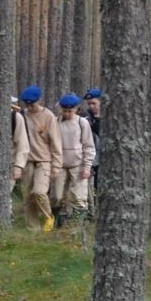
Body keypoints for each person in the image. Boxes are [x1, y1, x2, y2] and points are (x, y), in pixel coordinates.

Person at [18, 85, 63, 232]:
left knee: (39, 192)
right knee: (28, 197)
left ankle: (49, 217)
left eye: (32, 103)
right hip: (27, 161)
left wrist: (56, 166)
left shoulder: (48, 116)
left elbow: (56, 143)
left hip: (44, 161)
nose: (29, 107)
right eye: (27, 104)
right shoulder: (22, 116)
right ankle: (33, 228)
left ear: (39, 101)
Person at [50, 93, 96, 223]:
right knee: (57, 196)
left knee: (79, 196)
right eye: (64, 111)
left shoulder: (82, 123)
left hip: (78, 164)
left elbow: (89, 146)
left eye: (70, 111)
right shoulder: (54, 122)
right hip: (59, 164)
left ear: (76, 109)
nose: (67, 113)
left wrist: (87, 166)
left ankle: (79, 224)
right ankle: (57, 221)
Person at [81, 88, 102, 193]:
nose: (91, 106)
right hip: (92, 157)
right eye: (89, 104)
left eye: (94, 103)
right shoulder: (86, 117)